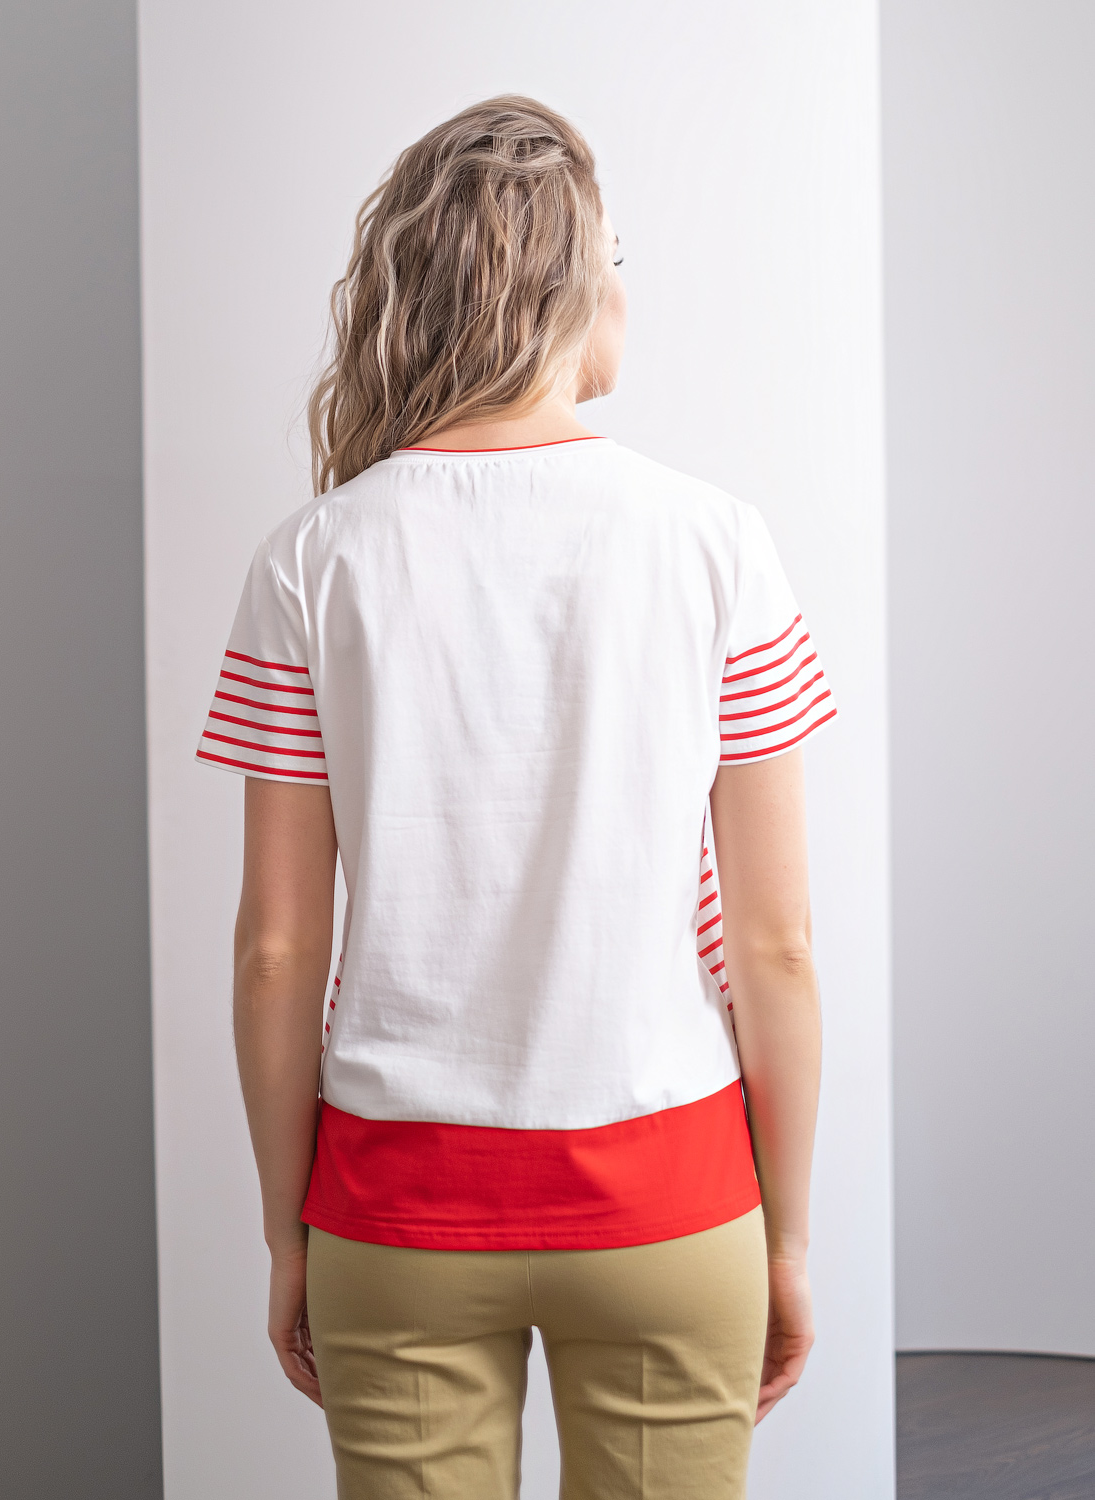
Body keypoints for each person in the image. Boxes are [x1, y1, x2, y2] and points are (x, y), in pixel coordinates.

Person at [197, 94, 835, 1500]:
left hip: (394, 1206)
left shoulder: (311, 561)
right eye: (618, 256)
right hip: (671, 1199)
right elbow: (778, 948)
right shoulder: (719, 545)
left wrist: (287, 1235)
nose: (628, 289)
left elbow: (275, 951)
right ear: (570, 289)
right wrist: (785, 1239)